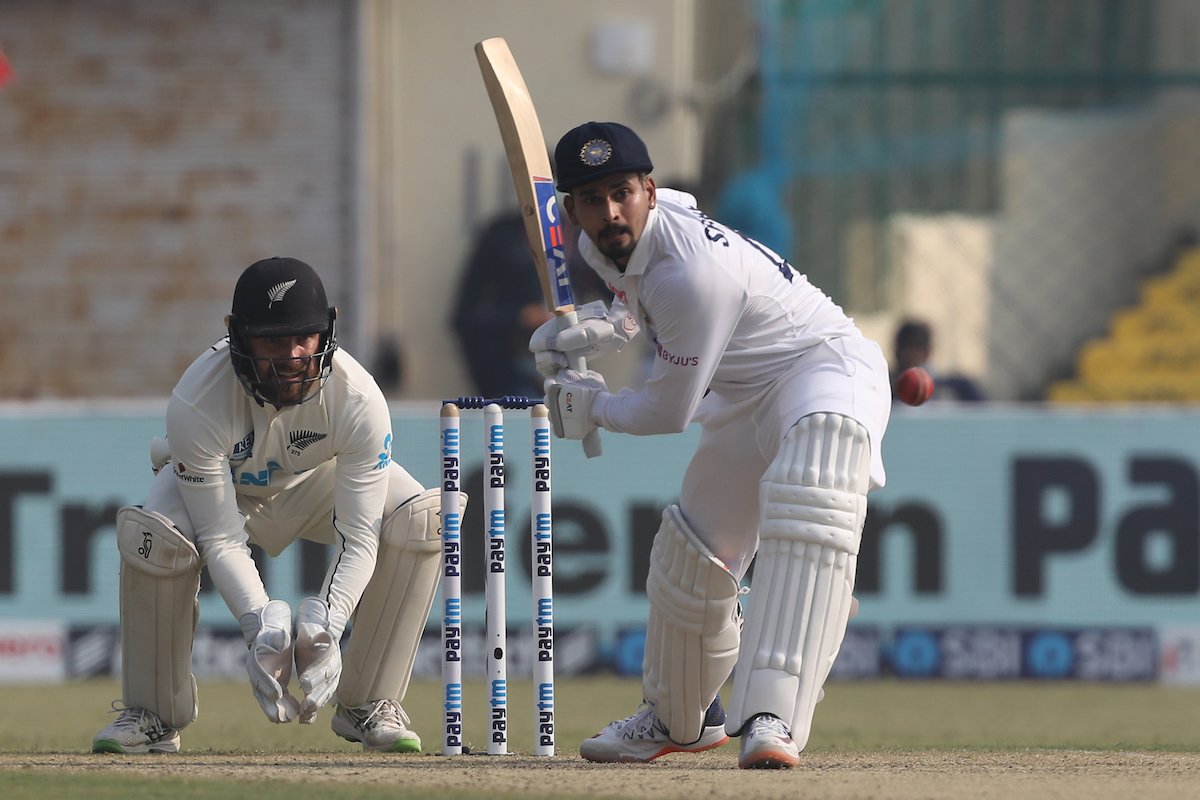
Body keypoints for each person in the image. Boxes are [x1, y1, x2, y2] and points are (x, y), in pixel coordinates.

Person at [530, 122, 892, 769]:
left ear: (648, 188)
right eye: (591, 200)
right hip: (743, 391)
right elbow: (638, 301)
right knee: (695, 554)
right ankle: (678, 720)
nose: (610, 213)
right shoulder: (600, 245)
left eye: (622, 193)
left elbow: (671, 410)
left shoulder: (692, 275)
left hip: (823, 367)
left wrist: (595, 408)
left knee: (810, 495)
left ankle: (772, 716)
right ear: (571, 210)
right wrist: (599, 332)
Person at [92, 257, 463, 754]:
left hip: (317, 484)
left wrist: (327, 626)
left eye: (303, 338)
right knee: (154, 536)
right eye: (270, 341)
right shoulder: (197, 401)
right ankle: (154, 714)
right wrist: (259, 626)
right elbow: (222, 538)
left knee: (421, 519)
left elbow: (360, 537)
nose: (290, 358)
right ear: (236, 336)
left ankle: (366, 704)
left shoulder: (357, 398)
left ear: (326, 330)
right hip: (231, 492)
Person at [891, 318, 986, 402]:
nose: (912, 356)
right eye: (907, 349)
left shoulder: (956, 388)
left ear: (928, 352)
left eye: (918, 348)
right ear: (897, 352)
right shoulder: (884, 389)